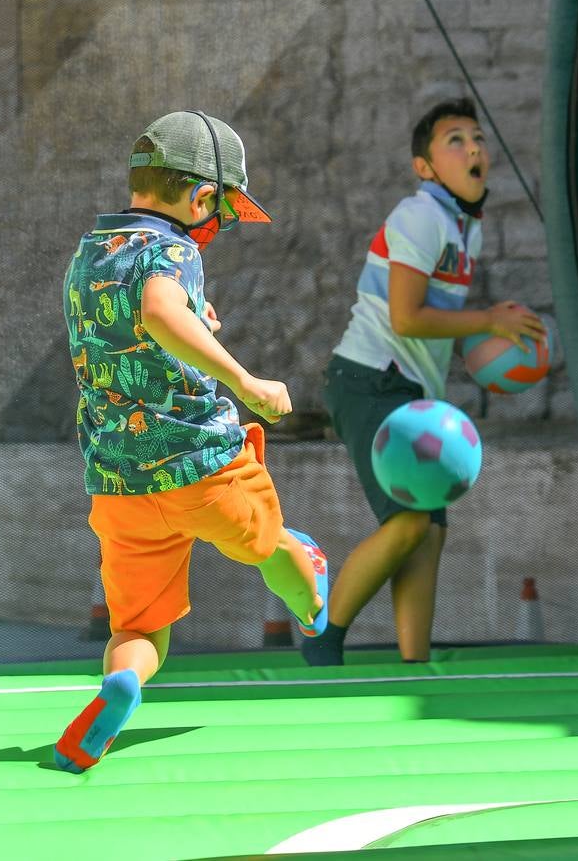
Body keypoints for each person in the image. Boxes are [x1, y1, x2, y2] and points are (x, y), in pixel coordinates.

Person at [53, 111, 329, 771]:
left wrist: (189, 313)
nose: (218, 227)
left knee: (140, 626)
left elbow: (127, 320)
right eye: (223, 213)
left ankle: (121, 685)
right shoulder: (173, 250)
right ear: (204, 199)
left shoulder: (90, 252)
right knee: (272, 543)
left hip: (121, 480)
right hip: (201, 467)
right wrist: (247, 380)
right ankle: (311, 597)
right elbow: (155, 309)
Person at [301, 98, 544, 666]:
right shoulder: (420, 217)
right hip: (369, 381)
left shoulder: (465, 230)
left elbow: (431, 319)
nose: (475, 147)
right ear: (425, 168)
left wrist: (492, 334)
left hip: (407, 391)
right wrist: (489, 320)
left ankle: (416, 661)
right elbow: (405, 318)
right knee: (410, 522)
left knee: (429, 531)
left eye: (478, 137)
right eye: (455, 139)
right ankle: (324, 637)